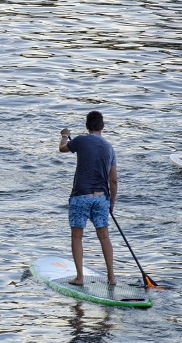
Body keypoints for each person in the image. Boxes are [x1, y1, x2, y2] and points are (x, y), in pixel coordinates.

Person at [59, 111, 118, 286]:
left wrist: (65, 135)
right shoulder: (109, 148)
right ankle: (111, 277)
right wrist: (111, 203)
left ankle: (79, 277)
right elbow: (113, 180)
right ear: (103, 126)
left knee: (77, 237)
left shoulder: (80, 140)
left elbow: (62, 148)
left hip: (80, 196)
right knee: (104, 237)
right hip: (101, 198)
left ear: (87, 126)